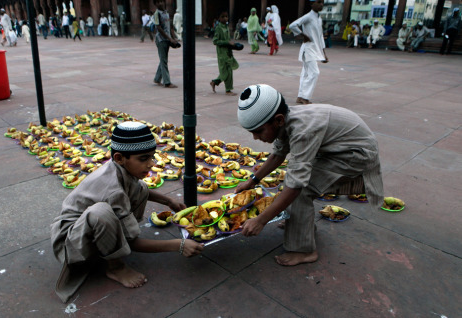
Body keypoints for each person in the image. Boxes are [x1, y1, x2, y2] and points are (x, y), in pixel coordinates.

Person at [50, 122, 204, 303]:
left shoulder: (120, 168)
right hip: (69, 241)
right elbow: (132, 244)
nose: (151, 164)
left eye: (152, 157)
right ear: (119, 157)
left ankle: (115, 238)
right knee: (102, 213)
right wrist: (178, 245)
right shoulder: (112, 189)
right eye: (144, 159)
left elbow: (140, 189)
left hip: (85, 226)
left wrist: (168, 200)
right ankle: (115, 267)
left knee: (141, 187)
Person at [235, 84, 384, 267]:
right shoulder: (287, 121)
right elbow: (277, 155)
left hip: (356, 154)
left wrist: (261, 220)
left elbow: (296, 185)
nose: (255, 138)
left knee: (301, 189)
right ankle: (302, 226)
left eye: (258, 131)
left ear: (278, 120)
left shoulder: (303, 130)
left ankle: (304, 250)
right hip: (339, 149)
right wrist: (252, 181)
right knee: (293, 182)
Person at [289, 0, 328, 105]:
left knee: (305, 73)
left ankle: (300, 97)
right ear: (312, 4)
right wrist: (303, 35)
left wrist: (324, 54)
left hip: (315, 49)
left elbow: (320, 37)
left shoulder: (319, 19)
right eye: (319, 2)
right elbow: (293, 25)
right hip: (308, 49)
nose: (321, 4)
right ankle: (305, 97)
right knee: (315, 72)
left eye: (322, 2)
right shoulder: (308, 16)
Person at [210, 11, 239, 96]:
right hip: (222, 54)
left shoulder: (226, 27)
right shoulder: (218, 28)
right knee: (226, 72)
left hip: (228, 52)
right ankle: (228, 90)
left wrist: (232, 45)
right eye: (223, 17)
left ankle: (215, 82)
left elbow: (228, 40)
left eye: (226, 16)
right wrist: (227, 43)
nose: (225, 18)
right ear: (219, 18)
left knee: (229, 70)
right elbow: (215, 41)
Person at [153, 0, 179, 88]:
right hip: (161, 40)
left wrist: (174, 37)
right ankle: (167, 82)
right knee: (163, 60)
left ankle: (157, 78)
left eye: (161, 1)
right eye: (158, 2)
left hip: (167, 39)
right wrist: (169, 38)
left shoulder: (166, 13)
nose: (160, 3)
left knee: (163, 60)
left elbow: (170, 26)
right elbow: (158, 28)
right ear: (155, 4)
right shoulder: (157, 13)